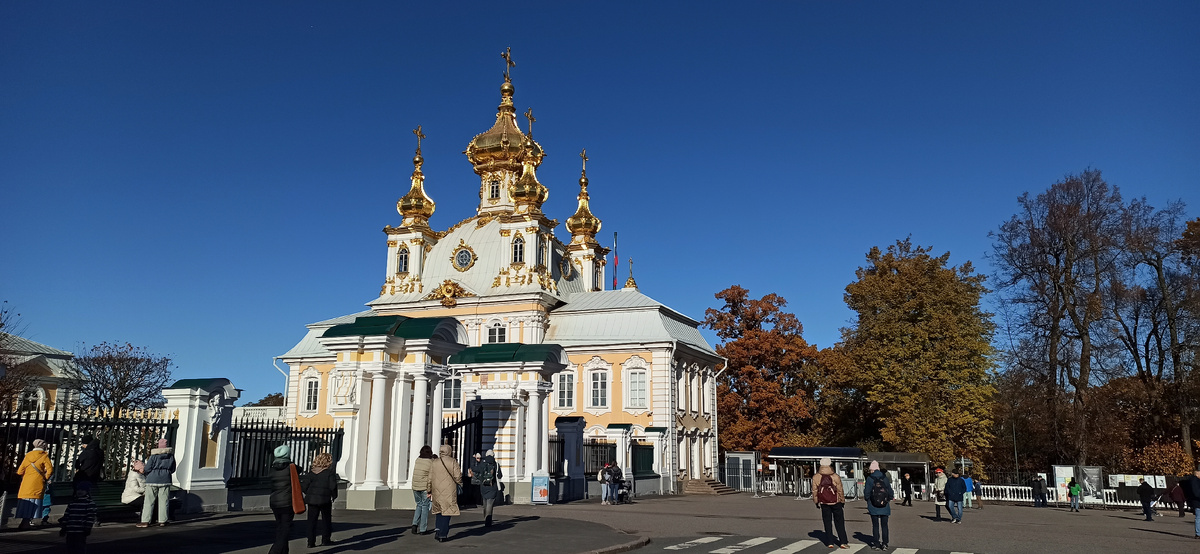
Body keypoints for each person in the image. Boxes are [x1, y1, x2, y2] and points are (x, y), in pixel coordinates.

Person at [268, 445, 301, 554]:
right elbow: (300, 469)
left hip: (274, 501)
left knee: (280, 526)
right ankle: (275, 550)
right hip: (287, 502)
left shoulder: (272, 469)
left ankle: (284, 551)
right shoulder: (291, 468)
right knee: (286, 528)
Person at [300, 452, 338, 548]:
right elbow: (333, 486)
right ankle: (325, 540)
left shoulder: (311, 473)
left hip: (312, 500)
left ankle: (310, 542)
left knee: (311, 521)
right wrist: (334, 496)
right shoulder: (329, 473)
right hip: (325, 499)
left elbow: (304, 486)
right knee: (326, 520)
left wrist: (309, 493)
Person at [16, 439, 53, 530]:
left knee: (26, 502)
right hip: (37, 483)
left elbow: (20, 471)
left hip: (26, 483)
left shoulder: (28, 455)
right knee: (34, 503)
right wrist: (45, 477)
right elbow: (50, 470)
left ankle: (24, 522)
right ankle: (26, 523)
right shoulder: (44, 456)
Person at [137, 438, 175, 528]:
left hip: (152, 479)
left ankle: (145, 521)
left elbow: (147, 468)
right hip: (165, 479)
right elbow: (173, 469)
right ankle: (163, 520)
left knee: (149, 501)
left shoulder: (154, 456)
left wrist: (148, 473)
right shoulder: (171, 456)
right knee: (164, 501)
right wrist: (166, 473)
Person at [812, 457, 848, 549]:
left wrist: (816, 501)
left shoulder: (816, 477)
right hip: (836, 502)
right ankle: (843, 542)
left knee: (827, 522)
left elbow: (814, 491)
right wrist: (842, 500)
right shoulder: (835, 476)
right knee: (839, 522)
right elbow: (840, 490)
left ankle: (830, 542)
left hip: (824, 502)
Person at [428, 444, 462, 542]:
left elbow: (430, 477)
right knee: (447, 511)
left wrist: (429, 489)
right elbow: (458, 476)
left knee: (438, 511)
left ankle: (438, 530)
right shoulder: (453, 462)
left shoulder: (435, 462)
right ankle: (443, 534)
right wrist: (460, 483)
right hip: (449, 491)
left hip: (436, 491)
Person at [59, 482, 98, 554]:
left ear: (87, 491)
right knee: (71, 548)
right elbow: (67, 515)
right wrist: (64, 527)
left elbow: (90, 517)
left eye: (82, 490)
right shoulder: (72, 503)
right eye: (78, 490)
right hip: (70, 530)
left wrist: (87, 528)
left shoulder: (89, 503)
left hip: (80, 530)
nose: (80, 491)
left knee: (79, 548)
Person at [864, 461, 892, 551]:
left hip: (873, 505)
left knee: (875, 525)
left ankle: (876, 543)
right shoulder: (884, 478)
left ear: (872, 469)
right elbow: (890, 491)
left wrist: (868, 500)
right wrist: (888, 499)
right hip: (884, 505)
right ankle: (885, 544)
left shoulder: (869, 479)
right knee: (884, 525)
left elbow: (867, 492)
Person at [410, 445, 435, 535]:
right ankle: (423, 529)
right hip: (424, 487)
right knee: (425, 507)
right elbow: (431, 477)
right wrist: (430, 490)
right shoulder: (431, 462)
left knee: (419, 505)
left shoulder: (418, 460)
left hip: (415, 486)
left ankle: (414, 524)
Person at [476, 449, 503, 526]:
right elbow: (500, 476)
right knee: (490, 504)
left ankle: (485, 518)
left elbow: (478, 472)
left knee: (485, 503)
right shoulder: (496, 464)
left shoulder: (482, 463)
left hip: (483, 486)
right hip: (492, 486)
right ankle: (488, 521)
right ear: (493, 455)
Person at [1185, 466, 1200, 539]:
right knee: (1198, 518)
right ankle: (1198, 533)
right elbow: (1196, 492)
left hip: (1197, 501)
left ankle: (1198, 533)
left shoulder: (1194, 480)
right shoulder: (1194, 481)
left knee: (1198, 518)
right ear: (1197, 473)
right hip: (1198, 502)